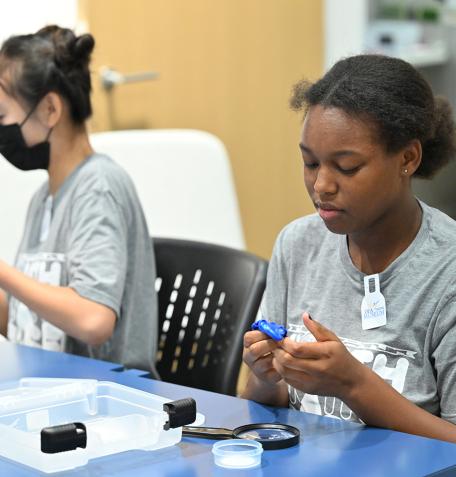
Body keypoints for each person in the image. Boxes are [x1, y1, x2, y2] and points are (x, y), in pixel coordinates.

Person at [242, 54, 456, 442]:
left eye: (347, 167)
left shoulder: (447, 270)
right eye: (310, 163)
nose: (321, 185)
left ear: (407, 158)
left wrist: (355, 385)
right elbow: (265, 405)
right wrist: (264, 376)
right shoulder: (297, 244)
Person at [0, 25, 159, 377]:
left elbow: (93, 318)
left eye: (2, 117)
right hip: (51, 394)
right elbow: (27, 325)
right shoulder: (44, 198)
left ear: (50, 109)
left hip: (105, 407)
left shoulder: (97, 187)